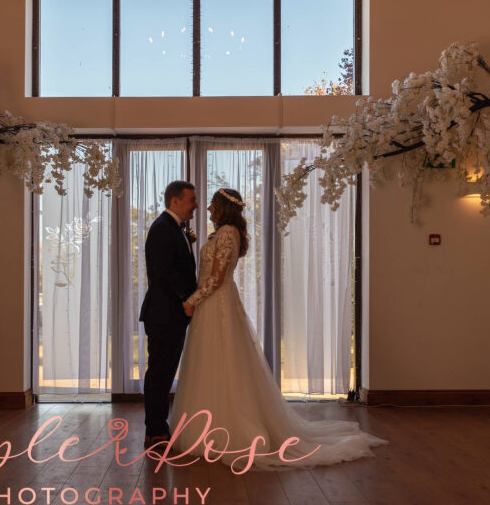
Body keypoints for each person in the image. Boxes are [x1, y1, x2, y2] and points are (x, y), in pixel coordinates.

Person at [170, 188, 387, 469]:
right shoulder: (224, 232)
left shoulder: (227, 234)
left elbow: (218, 277)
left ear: (223, 207)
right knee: (211, 364)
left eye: (212, 204)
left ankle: (230, 428)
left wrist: (193, 300)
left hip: (217, 304)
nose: (207, 209)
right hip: (212, 306)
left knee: (223, 364)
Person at [139, 179, 198, 449]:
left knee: (164, 372)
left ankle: (159, 427)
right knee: (160, 374)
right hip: (163, 314)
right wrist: (187, 298)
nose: (195, 206)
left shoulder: (177, 229)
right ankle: (155, 431)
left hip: (172, 314)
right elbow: (164, 272)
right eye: (191, 200)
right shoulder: (163, 228)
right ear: (175, 200)